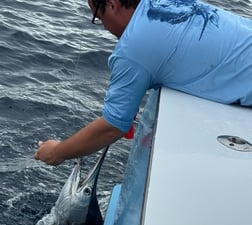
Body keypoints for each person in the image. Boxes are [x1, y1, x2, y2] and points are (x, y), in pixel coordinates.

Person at [34, 0, 252, 165]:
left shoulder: (131, 50)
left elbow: (113, 127)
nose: (104, 28)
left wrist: (57, 152)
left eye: (99, 17)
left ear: (112, 4)